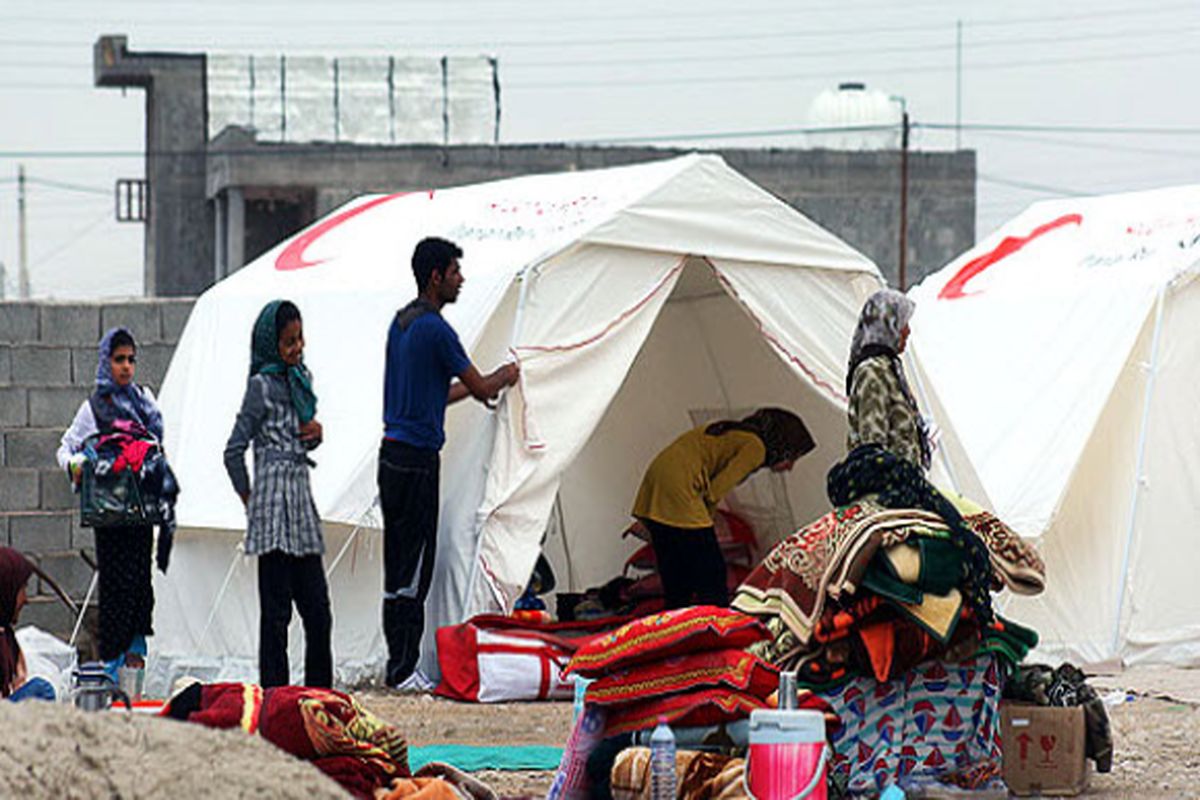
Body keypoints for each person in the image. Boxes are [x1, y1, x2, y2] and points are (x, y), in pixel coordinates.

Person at [379, 236, 520, 688]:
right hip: (418, 460)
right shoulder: (437, 330)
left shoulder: (402, 323)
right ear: (435, 276)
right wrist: (507, 375)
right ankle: (404, 670)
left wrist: (480, 389)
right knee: (417, 568)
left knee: (398, 565)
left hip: (392, 456)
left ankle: (397, 664)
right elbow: (480, 385)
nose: (461, 279)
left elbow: (435, 394)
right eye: (455, 272)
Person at [224, 300, 333, 688]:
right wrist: (249, 500)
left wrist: (316, 434)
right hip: (272, 513)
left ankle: (320, 696)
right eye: (289, 341)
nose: (297, 348)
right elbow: (233, 450)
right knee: (276, 617)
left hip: (301, 509)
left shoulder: (301, 380)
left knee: (318, 613)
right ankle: (276, 699)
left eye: (300, 339)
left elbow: (301, 435)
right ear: (272, 343)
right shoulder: (260, 387)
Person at [57, 327, 164, 679]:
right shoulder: (93, 409)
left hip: (140, 510)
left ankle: (135, 665)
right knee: (116, 586)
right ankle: (113, 672)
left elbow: (159, 439)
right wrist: (78, 465)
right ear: (106, 362)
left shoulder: (144, 401)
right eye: (119, 359)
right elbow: (66, 448)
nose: (126, 367)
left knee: (140, 586)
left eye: (131, 359)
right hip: (109, 512)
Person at [630, 408, 816, 609]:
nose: (789, 468)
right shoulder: (756, 447)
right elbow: (715, 491)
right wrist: (706, 527)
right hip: (682, 485)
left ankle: (676, 618)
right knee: (712, 572)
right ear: (783, 446)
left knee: (675, 570)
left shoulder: (733, 432)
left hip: (659, 477)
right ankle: (717, 620)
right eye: (792, 458)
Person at [844, 288, 931, 471]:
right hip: (888, 485)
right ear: (887, 325)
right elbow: (872, 447)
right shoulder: (873, 372)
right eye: (902, 324)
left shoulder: (890, 369)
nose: (907, 331)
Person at [0, 547, 57, 702]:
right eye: (22, 590)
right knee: (41, 689)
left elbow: (19, 672)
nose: (25, 599)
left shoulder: (5, 633)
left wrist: (19, 676)